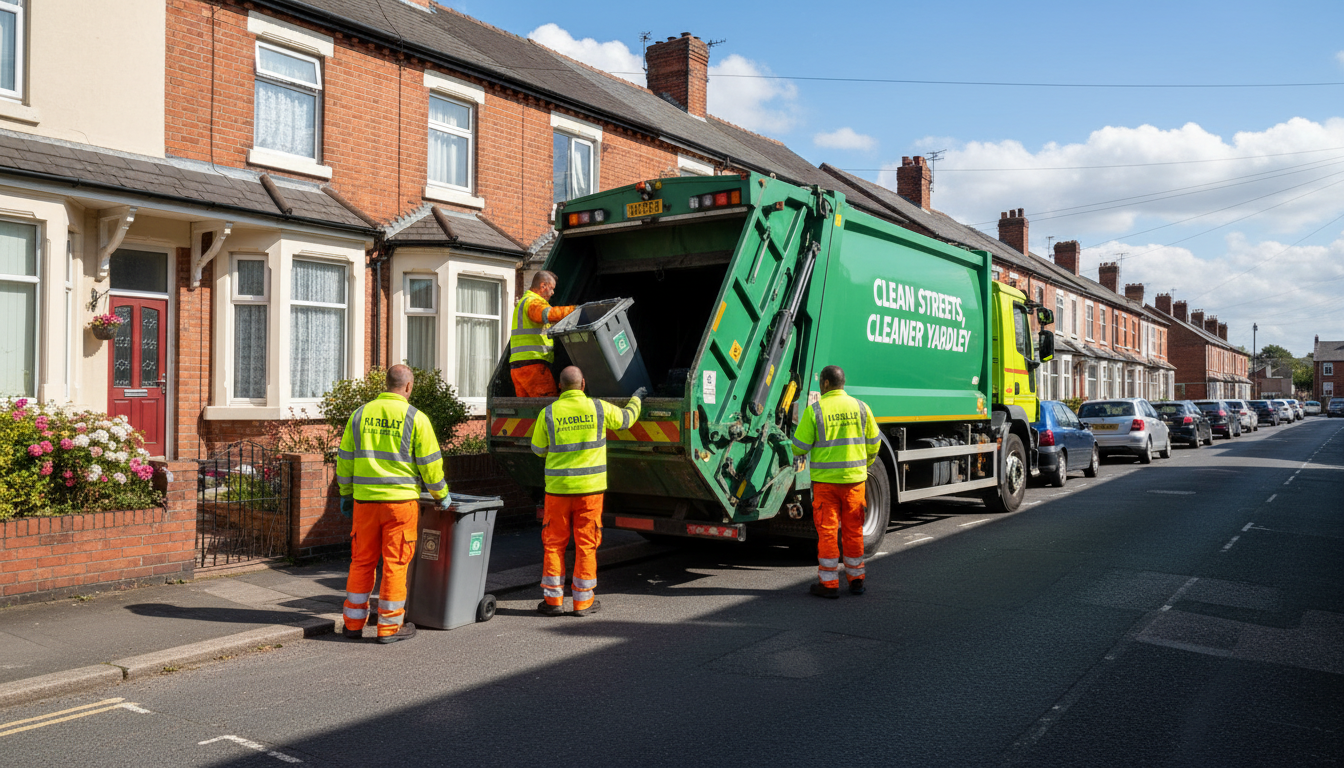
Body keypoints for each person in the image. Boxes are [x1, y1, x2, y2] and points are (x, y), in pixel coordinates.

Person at [336, 364, 450, 643]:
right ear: (408, 387)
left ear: (386, 384)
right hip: (400, 505)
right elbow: (431, 466)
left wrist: (346, 492)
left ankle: (352, 624)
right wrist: (441, 495)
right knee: (395, 564)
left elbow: (345, 458)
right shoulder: (415, 418)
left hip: (364, 503)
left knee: (361, 561)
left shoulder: (359, 414)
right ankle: (389, 627)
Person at [530, 365, 645, 616]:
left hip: (558, 492)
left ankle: (553, 603)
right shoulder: (598, 408)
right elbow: (627, 420)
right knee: (586, 545)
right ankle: (583, 603)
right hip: (590, 493)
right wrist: (637, 398)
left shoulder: (548, 413)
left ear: (560, 386)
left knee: (553, 545)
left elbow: (538, 449)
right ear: (583, 385)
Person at [790, 365, 881, 598]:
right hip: (854, 483)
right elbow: (874, 443)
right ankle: (857, 580)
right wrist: (865, 463)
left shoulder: (815, 411)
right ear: (844, 382)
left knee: (829, 532)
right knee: (853, 531)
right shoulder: (861, 408)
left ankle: (829, 585)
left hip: (826, 485)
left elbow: (798, 447)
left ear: (826, 384)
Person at [510, 270, 577, 397]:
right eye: (551, 289)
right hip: (533, 367)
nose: (552, 293)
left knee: (529, 412)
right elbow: (548, 314)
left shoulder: (523, 302)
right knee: (547, 408)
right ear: (543, 286)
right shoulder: (533, 302)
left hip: (518, 367)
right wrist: (575, 310)